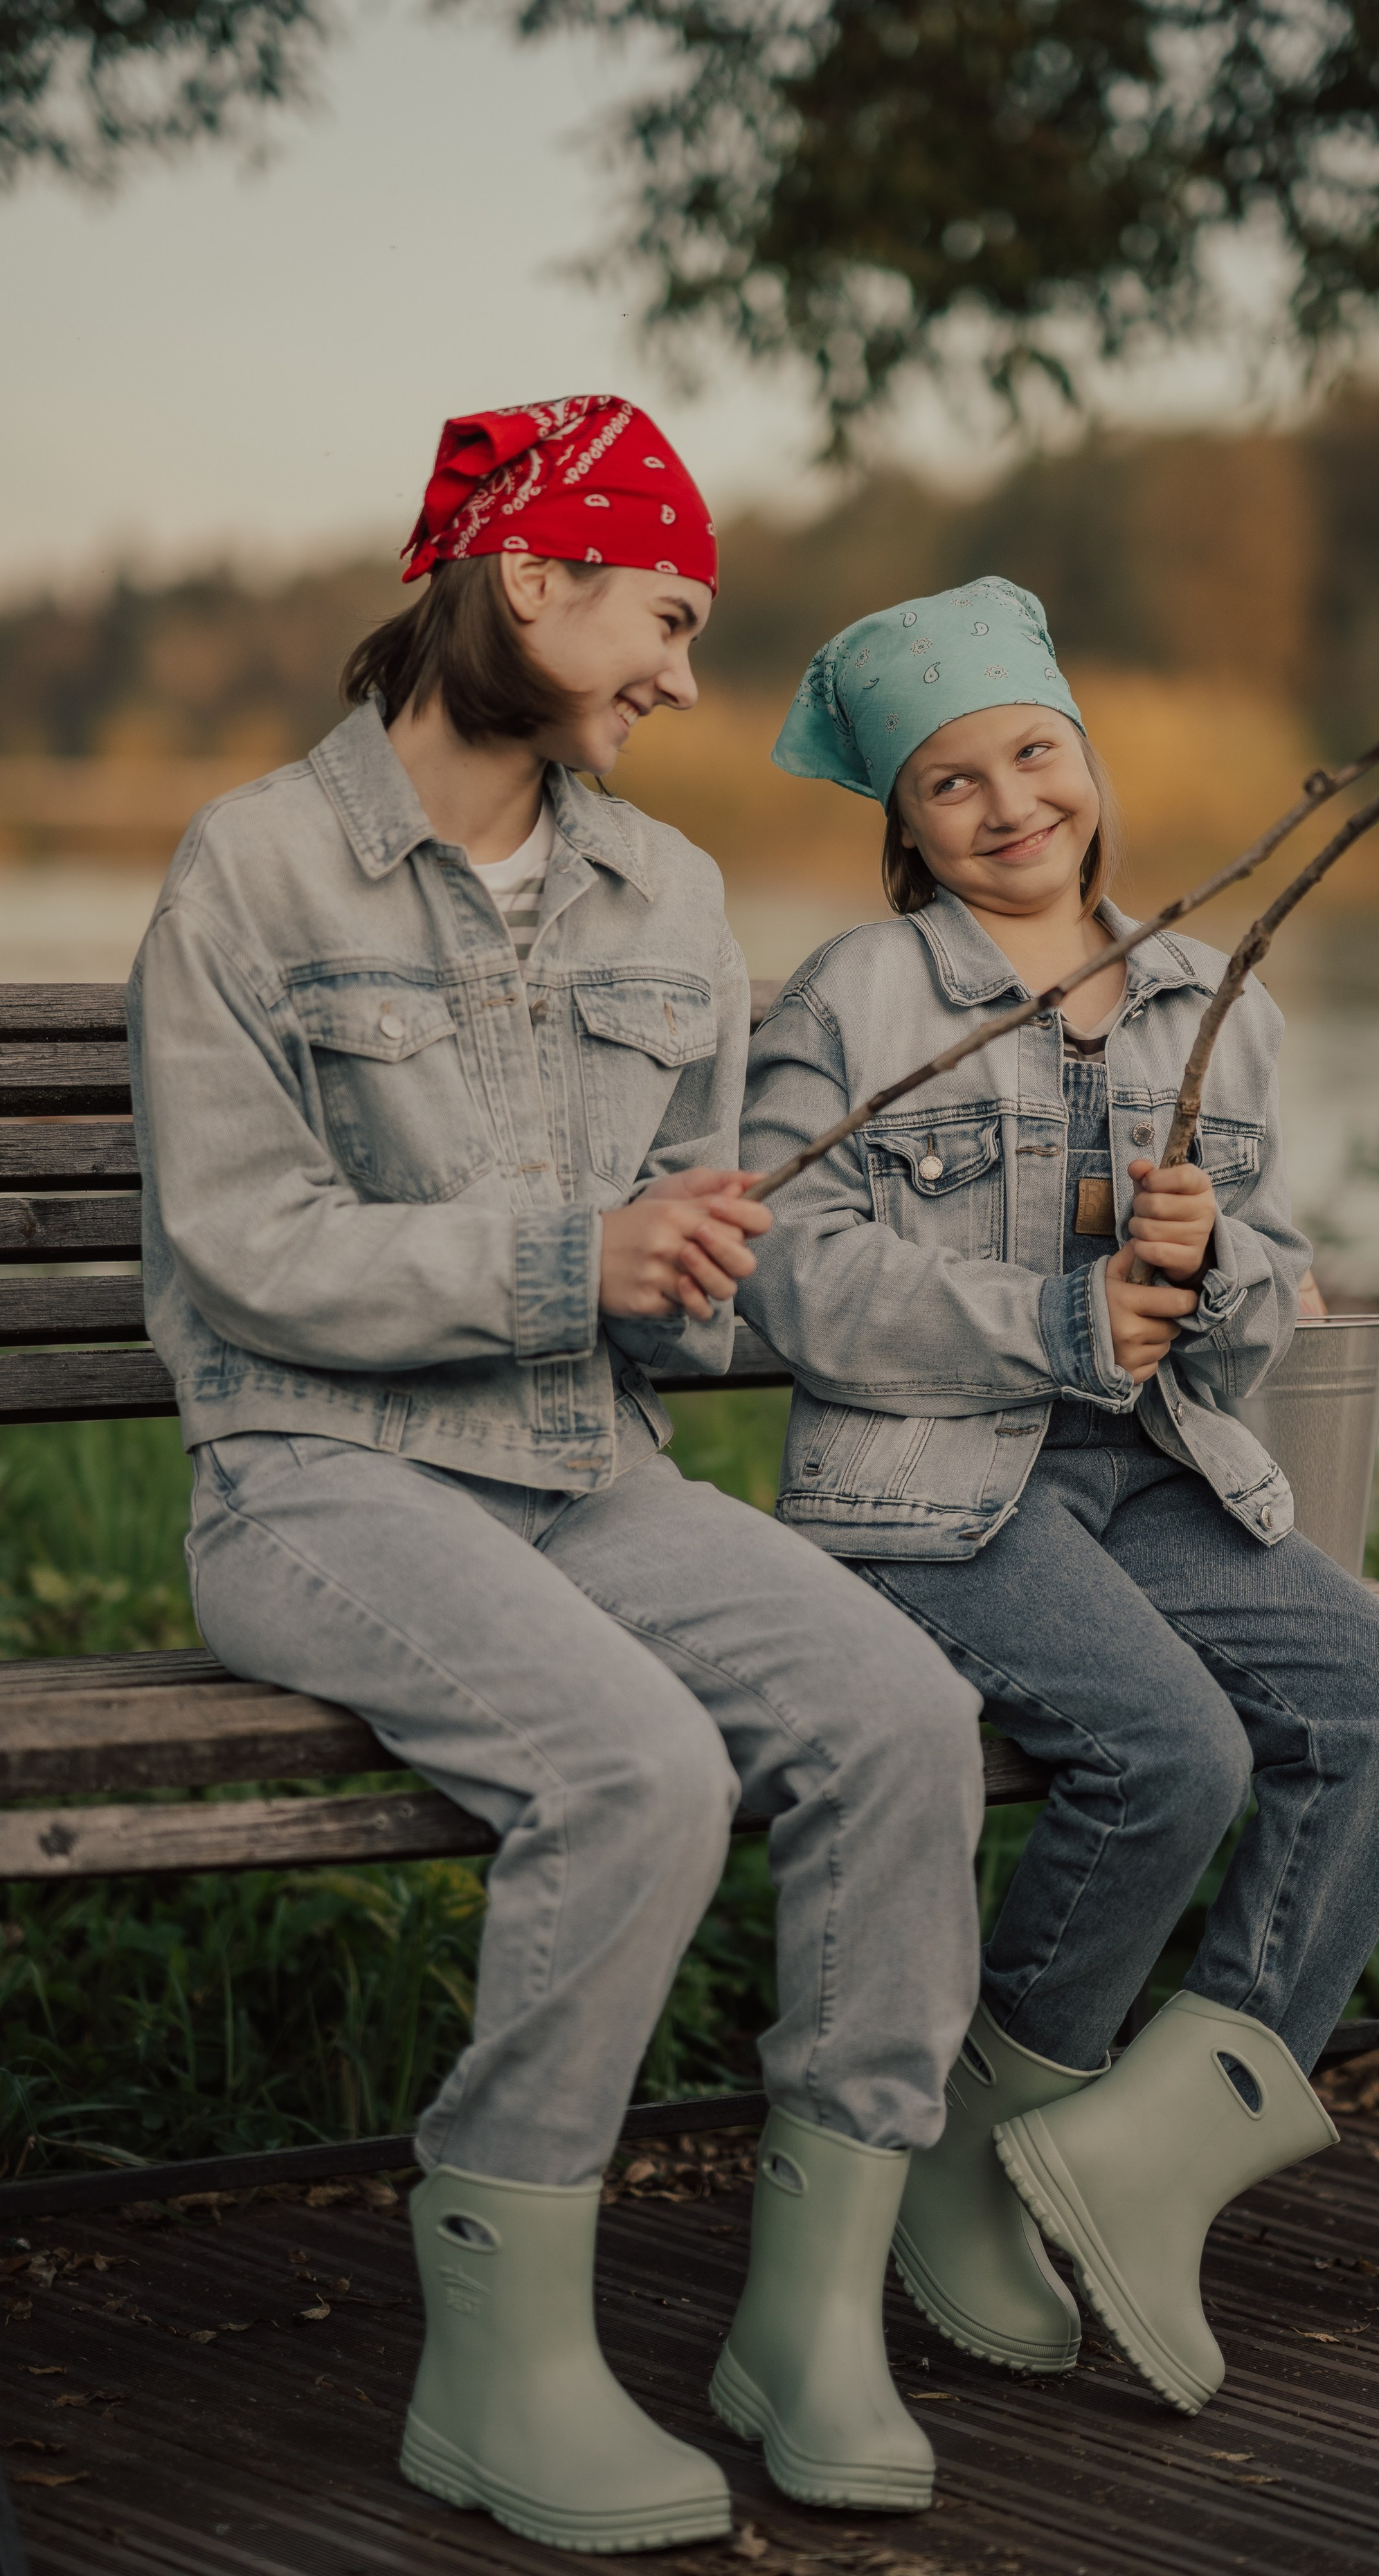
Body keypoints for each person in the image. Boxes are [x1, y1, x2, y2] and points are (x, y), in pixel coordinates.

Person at [127, 399, 986, 2552]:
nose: (689, 681)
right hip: (319, 1483)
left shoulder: (669, 890)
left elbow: (662, 1284)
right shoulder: (255, 865)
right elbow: (246, 1251)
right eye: (668, 620)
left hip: (584, 1469)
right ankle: (499, 2372)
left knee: (907, 1719)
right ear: (534, 582)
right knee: (638, 1769)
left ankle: (810, 2316)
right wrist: (562, 1251)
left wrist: (698, 1265)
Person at [738, 575, 1379, 2416]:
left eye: (1034, 755)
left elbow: (1253, 1309)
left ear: (1089, 759)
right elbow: (787, 1270)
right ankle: (991, 2136)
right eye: (951, 783)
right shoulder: (860, 997)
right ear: (902, 824)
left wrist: (1215, 1256)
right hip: (930, 1490)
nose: (1008, 804)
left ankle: (1148, 2160)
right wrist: (1055, 1313)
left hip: (1157, 1469)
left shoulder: (1216, 1003)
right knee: (1173, 1752)